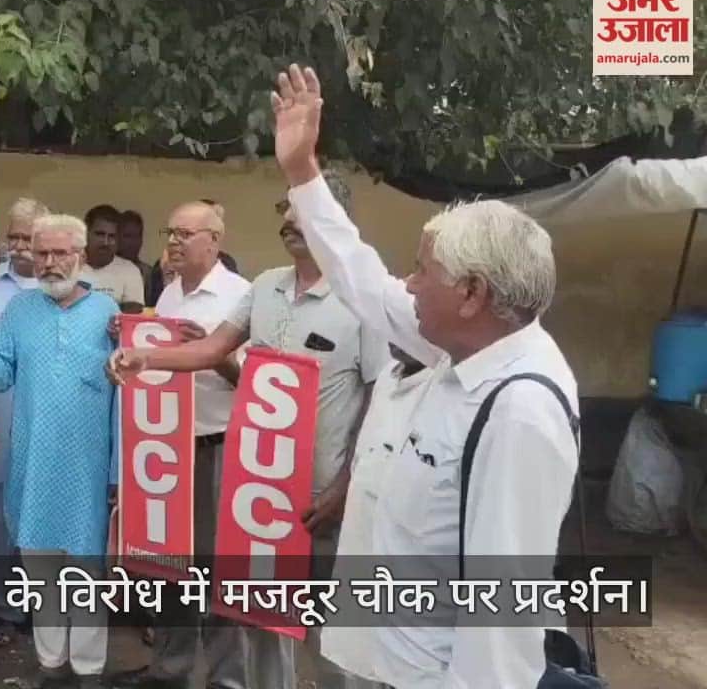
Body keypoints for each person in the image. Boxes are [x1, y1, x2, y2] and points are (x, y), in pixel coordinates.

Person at [268, 64, 578, 688]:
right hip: (377, 655)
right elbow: (359, 277)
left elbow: (503, 616)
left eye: (421, 271)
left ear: (472, 293)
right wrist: (303, 173)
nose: (406, 285)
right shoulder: (458, 346)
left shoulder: (519, 408)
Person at [108, 170, 388, 689]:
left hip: (323, 495)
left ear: (333, 220)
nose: (287, 221)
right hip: (259, 489)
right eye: (284, 210)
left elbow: (378, 407)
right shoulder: (265, 288)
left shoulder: (363, 302)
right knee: (261, 620)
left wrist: (343, 490)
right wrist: (147, 354)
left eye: (300, 212)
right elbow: (213, 349)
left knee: (331, 633)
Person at [0, 214, 117, 689]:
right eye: (42, 253)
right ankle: (51, 665)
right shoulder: (21, 310)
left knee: (85, 573)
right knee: (41, 569)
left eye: (60, 253)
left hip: (89, 468)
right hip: (34, 463)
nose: (49, 263)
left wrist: (119, 472)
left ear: (79, 256)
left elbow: (128, 395)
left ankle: (88, 670)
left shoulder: (109, 314)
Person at [107, 200, 251, 689]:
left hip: (219, 446)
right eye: (171, 231)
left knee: (218, 568)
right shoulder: (166, 297)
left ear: (215, 240)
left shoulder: (241, 297)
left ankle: (227, 678)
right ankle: (171, 670)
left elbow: (257, 387)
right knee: (166, 564)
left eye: (187, 233)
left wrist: (212, 354)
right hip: (166, 448)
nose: (173, 241)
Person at [320, 345, 431, 686]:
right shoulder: (388, 376)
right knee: (350, 659)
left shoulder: (446, 386)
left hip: (413, 570)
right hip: (360, 545)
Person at [0, 198, 49, 649]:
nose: (20, 246)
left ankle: (46, 609)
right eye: (13, 236)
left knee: (43, 519)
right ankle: (3, 610)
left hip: (51, 425)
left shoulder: (70, 289)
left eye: (29, 238)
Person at [81, 205, 145, 313]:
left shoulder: (130, 271)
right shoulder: (70, 265)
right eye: (100, 234)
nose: (105, 242)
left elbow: (130, 317)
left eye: (111, 236)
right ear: (86, 233)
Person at [117, 210, 151, 279]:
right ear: (117, 237)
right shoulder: (104, 269)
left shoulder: (149, 274)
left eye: (137, 236)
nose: (133, 242)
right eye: (128, 236)